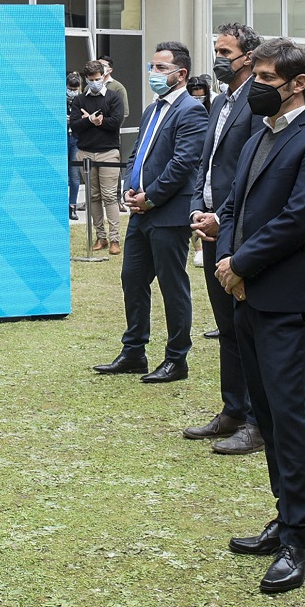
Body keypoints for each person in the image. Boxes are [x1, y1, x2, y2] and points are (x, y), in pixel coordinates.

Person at [213, 38, 305, 594]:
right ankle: (283, 513)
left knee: (289, 419)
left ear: (298, 82)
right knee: (265, 417)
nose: (258, 84)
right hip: (245, 293)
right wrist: (225, 252)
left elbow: (299, 221)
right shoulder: (257, 136)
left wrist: (240, 263)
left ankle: (299, 536)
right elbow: (232, 206)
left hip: (286, 299)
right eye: (258, 75)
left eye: (269, 77)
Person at [92, 43, 209, 383]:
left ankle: (176, 359)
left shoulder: (191, 110)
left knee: (173, 287)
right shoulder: (151, 110)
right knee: (132, 279)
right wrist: (130, 186)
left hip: (168, 213)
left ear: (180, 74)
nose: (153, 74)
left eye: (160, 68)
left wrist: (151, 197)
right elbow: (137, 153)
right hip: (141, 212)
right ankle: (134, 352)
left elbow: (184, 162)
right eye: (152, 67)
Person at [184, 24, 264, 455]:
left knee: (246, 326)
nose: (217, 58)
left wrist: (222, 217)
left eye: (224, 51)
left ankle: (256, 419)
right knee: (227, 327)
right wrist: (198, 206)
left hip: (238, 228)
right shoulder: (220, 102)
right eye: (215, 50)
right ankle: (233, 408)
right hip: (211, 225)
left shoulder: (257, 100)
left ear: (248, 57)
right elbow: (206, 163)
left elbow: (253, 170)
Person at [70, 62, 125, 256]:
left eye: (98, 79)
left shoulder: (114, 97)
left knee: (110, 196)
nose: (95, 83)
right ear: (86, 80)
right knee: (93, 196)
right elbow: (75, 125)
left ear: (104, 76)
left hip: (108, 152)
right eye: (91, 80)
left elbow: (116, 122)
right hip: (85, 152)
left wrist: (97, 122)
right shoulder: (79, 100)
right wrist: (89, 120)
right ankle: (100, 236)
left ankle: (115, 239)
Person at [67, 70, 84, 223]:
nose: (72, 92)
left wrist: (74, 119)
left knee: (74, 174)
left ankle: (72, 205)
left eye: (74, 89)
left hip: (76, 139)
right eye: (70, 89)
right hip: (62, 138)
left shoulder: (82, 100)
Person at [98, 56, 131, 127]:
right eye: (98, 65)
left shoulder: (118, 88)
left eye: (103, 66)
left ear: (110, 70)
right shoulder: (89, 86)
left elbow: (124, 113)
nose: (99, 68)